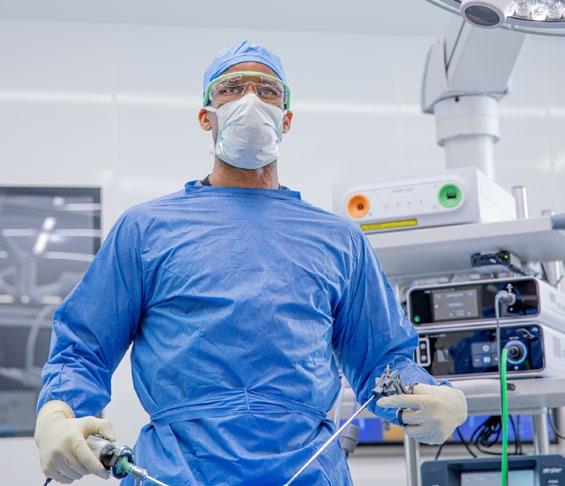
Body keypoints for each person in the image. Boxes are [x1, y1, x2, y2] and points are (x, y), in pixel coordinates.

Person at [34, 40, 467, 485]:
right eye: (231, 89)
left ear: (287, 118)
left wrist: (430, 394)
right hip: (177, 471)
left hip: (307, 470)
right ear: (206, 116)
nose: (251, 100)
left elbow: (383, 359)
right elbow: (84, 346)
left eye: (267, 90)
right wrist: (59, 412)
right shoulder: (145, 229)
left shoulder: (339, 240)